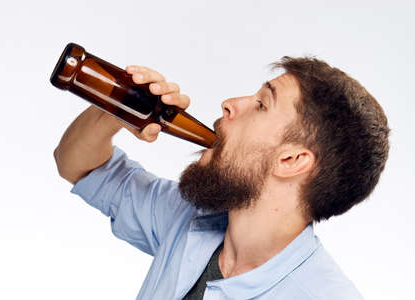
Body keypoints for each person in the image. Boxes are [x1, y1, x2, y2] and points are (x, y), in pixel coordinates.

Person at [53, 57, 389, 300]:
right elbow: (78, 165)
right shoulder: (190, 220)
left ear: (291, 160)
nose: (229, 104)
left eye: (261, 104)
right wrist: (120, 107)